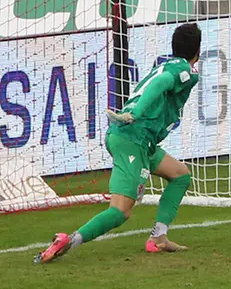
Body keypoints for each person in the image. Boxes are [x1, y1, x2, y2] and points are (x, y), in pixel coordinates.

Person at [35, 23, 202, 263]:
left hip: (139, 141)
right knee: (121, 211)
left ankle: (159, 238)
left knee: (180, 175)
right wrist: (136, 113)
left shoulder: (166, 64)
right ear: (197, 50)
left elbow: (160, 81)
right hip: (132, 138)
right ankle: (69, 240)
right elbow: (161, 83)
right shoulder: (184, 71)